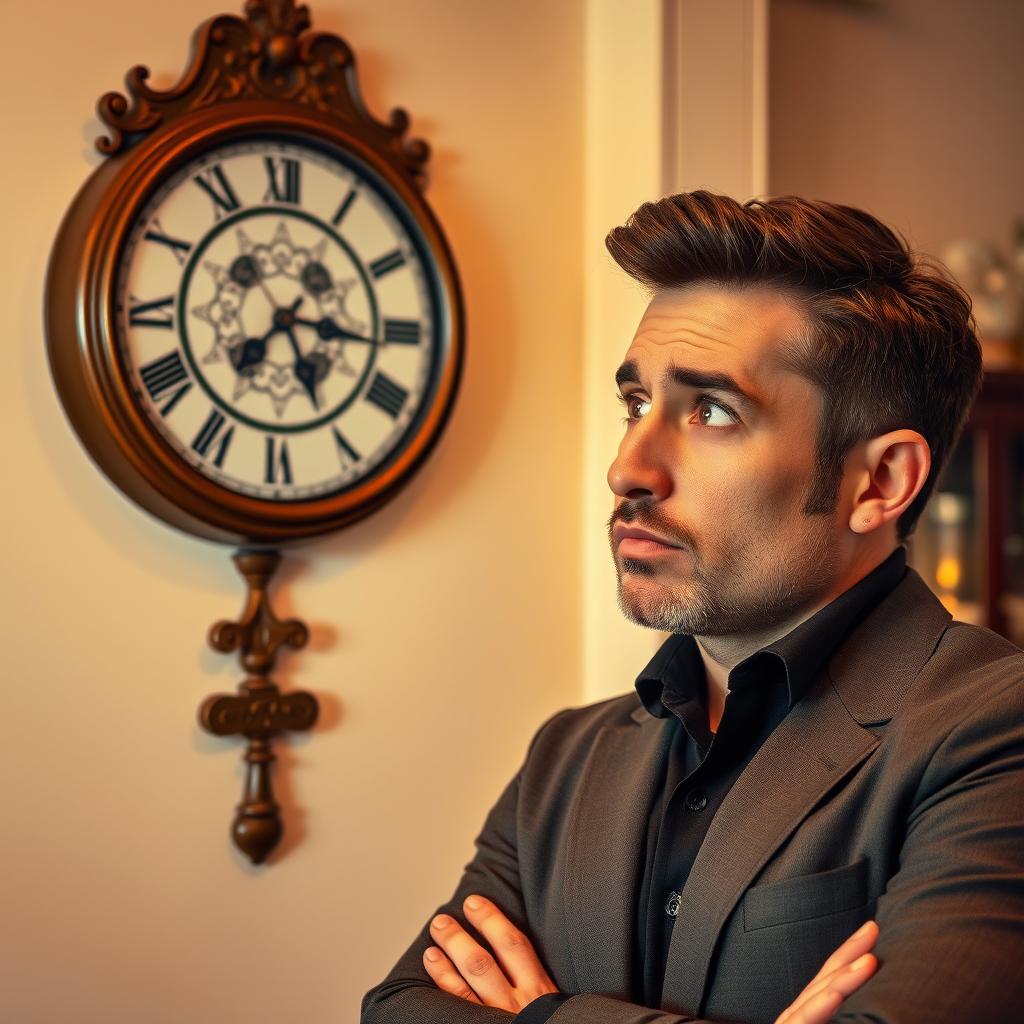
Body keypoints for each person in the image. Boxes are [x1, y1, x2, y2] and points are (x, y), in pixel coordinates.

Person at [361, 192, 1024, 1024]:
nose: (629, 469)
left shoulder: (996, 729)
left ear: (879, 482)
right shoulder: (566, 759)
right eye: (636, 404)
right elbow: (400, 1010)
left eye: (712, 411)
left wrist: (544, 1014)